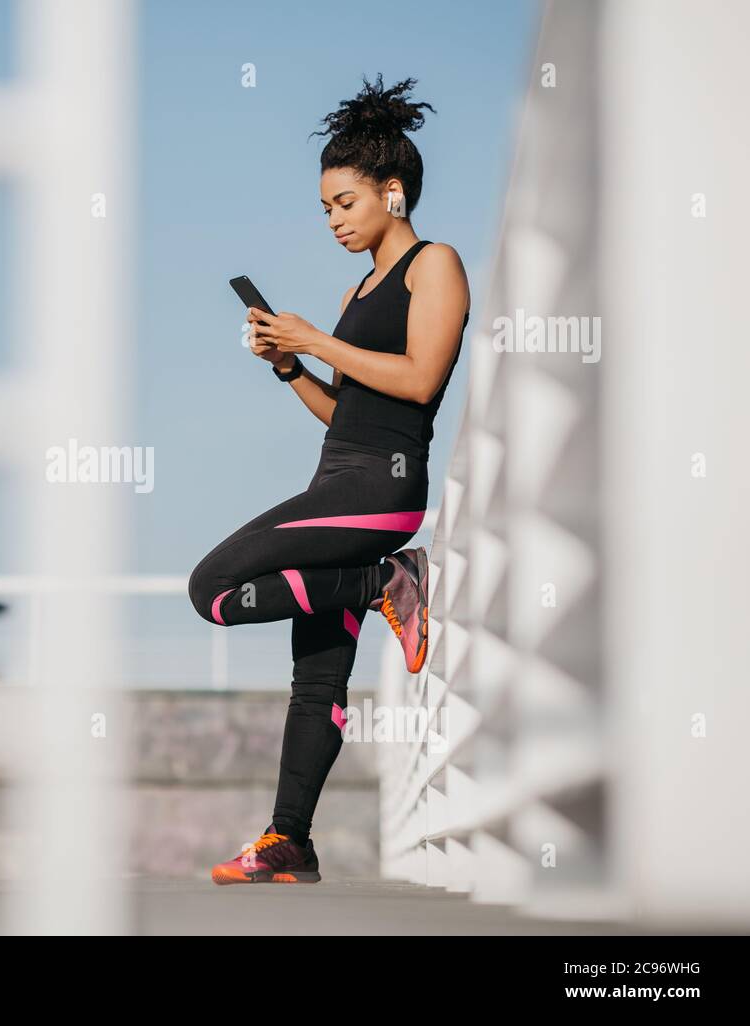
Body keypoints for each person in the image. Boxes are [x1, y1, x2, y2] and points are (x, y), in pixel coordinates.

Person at [188, 74, 470, 884]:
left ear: (393, 191)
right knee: (315, 680)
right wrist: (290, 368)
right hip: (339, 481)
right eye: (325, 208)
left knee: (213, 589)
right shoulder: (356, 293)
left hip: (380, 495)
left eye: (345, 202)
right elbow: (344, 414)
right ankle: (291, 842)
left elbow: (418, 381)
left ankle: (385, 578)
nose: (335, 219)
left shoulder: (433, 265)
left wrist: (314, 337)